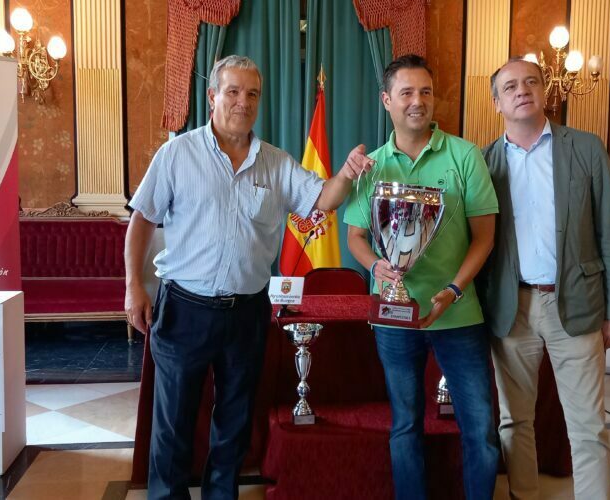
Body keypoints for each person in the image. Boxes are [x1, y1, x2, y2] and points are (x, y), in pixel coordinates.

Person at [124, 55, 369, 500]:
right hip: (184, 309)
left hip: (247, 314)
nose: (243, 102)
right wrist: (133, 286)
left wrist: (348, 173)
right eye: (233, 92)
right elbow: (142, 221)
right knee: (173, 425)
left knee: (234, 422)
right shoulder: (177, 154)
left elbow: (322, 200)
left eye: (252, 94)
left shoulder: (276, 163)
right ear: (212, 96)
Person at [344, 54, 500, 500]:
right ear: (386, 100)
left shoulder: (464, 155)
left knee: (480, 430)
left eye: (426, 92)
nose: (418, 101)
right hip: (393, 316)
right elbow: (355, 238)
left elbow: (484, 238)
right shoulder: (370, 167)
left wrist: (452, 291)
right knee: (405, 424)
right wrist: (376, 266)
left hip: (458, 314)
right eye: (407, 93)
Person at [480, 58, 610, 499]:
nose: (521, 90)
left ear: (545, 90)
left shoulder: (584, 148)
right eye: (510, 86)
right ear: (496, 102)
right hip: (511, 309)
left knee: (587, 426)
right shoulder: (483, 161)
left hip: (578, 304)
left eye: (531, 81)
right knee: (514, 420)